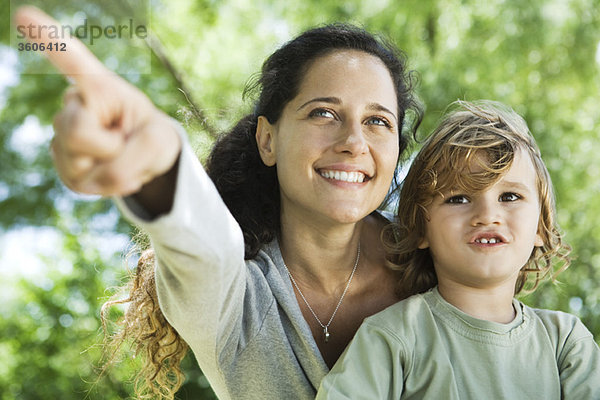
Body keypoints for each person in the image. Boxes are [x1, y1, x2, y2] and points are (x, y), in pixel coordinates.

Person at [14, 6, 423, 400]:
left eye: (378, 121)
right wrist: (158, 163)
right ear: (268, 140)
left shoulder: (438, 255)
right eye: (323, 113)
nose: (353, 142)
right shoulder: (233, 300)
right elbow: (203, 246)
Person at [317, 100, 600, 399]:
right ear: (421, 229)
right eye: (458, 199)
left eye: (510, 196)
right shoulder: (393, 336)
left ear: (540, 227)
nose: (487, 214)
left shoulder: (566, 342)